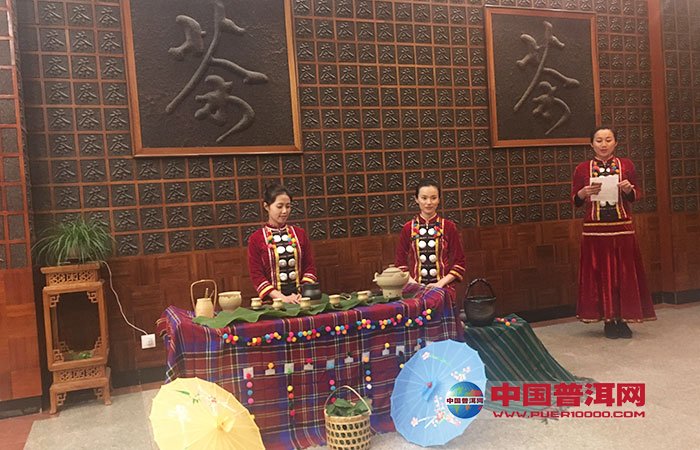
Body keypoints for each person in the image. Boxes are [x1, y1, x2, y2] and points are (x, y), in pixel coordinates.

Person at [572, 126, 656, 339]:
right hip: (594, 230)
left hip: (622, 228)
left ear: (616, 142)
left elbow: (636, 194)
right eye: (599, 140)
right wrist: (583, 192)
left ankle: (624, 318)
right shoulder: (582, 169)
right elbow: (575, 200)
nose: (603, 144)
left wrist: (628, 190)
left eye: (608, 140)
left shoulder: (626, 165)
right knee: (599, 275)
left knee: (625, 274)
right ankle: (608, 320)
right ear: (591, 144)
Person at [395, 179, 466, 299]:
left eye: (433, 198)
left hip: (443, 288)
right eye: (424, 198)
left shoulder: (448, 227)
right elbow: (400, 263)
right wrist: (414, 284)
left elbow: (460, 262)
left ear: (439, 199)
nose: (429, 202)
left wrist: (440, 284)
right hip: (415, 289)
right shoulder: (408, 228)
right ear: (416, 199)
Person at [247, 183, 317, 303]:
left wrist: (301, 293)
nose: (285, 211)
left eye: (288, 206)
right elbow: (257, 275)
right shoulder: (256, 239)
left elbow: (309, 267)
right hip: (273, 303)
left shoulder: (299, 234)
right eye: (279, 206)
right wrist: (282, 298)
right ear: (266, 206)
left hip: (301, 299)